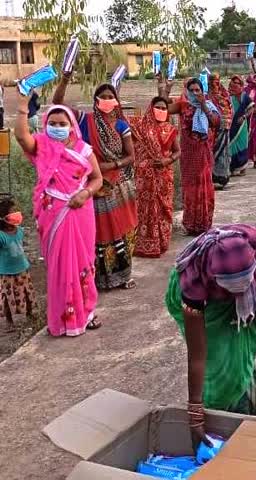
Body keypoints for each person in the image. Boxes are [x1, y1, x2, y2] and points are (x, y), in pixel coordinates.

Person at [165, 224, 256, 446]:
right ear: (215, 279)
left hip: (223, 286)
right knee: (219, 367)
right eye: (231, 289)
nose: (239, 295)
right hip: (205, 300)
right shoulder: (192, 283)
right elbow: (198, 355)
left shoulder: (253, 241)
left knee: (240, 350)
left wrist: (247, 300)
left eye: (245, 286)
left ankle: (247, 401)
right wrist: (195, 411)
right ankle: (220, 418)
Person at [15, 97, 102, 335]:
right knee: (58, 267)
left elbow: (97, 178)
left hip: (80, 212)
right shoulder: (42, 146)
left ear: (72, 125)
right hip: (51, 216)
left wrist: (85, 194)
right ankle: (62, 319)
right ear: (45, 124)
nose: (57, 127)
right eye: (52, 122)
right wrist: (22, 106)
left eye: (62, 123)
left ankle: (86, 312)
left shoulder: (84, 150)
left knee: (83, 262)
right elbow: (22, 137)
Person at [53, 76, 138, 290]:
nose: (107, 100)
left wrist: (112, 165)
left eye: (111, 96)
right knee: (98, 231)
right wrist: (64, 79)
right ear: (96, 99)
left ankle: (123, 274)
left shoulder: (121, 125)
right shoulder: (85, 120)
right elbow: (58, 104)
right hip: (94, 185)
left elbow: (131, 156)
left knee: (121, 228)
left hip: (118, 185)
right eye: (103, 96)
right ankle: (99, 278)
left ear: (117, 100)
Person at [163, 78, 220, 236]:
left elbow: (216, 122)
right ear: (187, 91)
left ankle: (204, 222)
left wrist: (203, 106)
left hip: (203, 152)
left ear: (202, 91)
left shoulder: (208, 105)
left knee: (204, 187)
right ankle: (190, 224)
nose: (195, 93)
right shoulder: (183, 105)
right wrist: (165, 91)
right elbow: (163, 110)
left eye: (198, 90)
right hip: (188, 154)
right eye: (192, 90)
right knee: (190, 188)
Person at [128, 96, 180, 258]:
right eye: (158, 107)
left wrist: (166, 160)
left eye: (164, 108)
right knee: (143, 209)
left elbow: (177, 151)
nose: (161, 111)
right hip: (144, 177)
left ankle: (162, 242)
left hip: (164, 176)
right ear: (151, 108)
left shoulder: (170, 129)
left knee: (164, 209)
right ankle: (144, 243)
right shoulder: (139, 128)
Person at [0, 197, 37, 333]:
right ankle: (9, 321)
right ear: (4, 217)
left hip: (22, 268)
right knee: (7, 297)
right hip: (7, 272)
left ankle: (30, 314)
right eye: (13, 211)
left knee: (27, 293)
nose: (17, 213)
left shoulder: (19, 231)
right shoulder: (1, 236)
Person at [208, 74, 233, 190]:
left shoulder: (225, 94)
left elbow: (230, 108)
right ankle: (213, 177)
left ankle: (223, 177)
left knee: (224, 152)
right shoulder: (207, 96)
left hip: (226, 126)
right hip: (214, 129)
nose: (216, 83)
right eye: (213, 80)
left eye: (218, 80)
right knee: (214, 151)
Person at [228, 75, 253, 177]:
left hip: (242, 125)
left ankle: (243, 168)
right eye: (233, 83)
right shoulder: (229, 97)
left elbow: (251, 108)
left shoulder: (245, 97)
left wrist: (244, 117)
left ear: (241, 85)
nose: (234, 85)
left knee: (242, 144)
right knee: (232, 145)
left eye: (237, 83)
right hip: (232, 125)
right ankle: (233, 168)